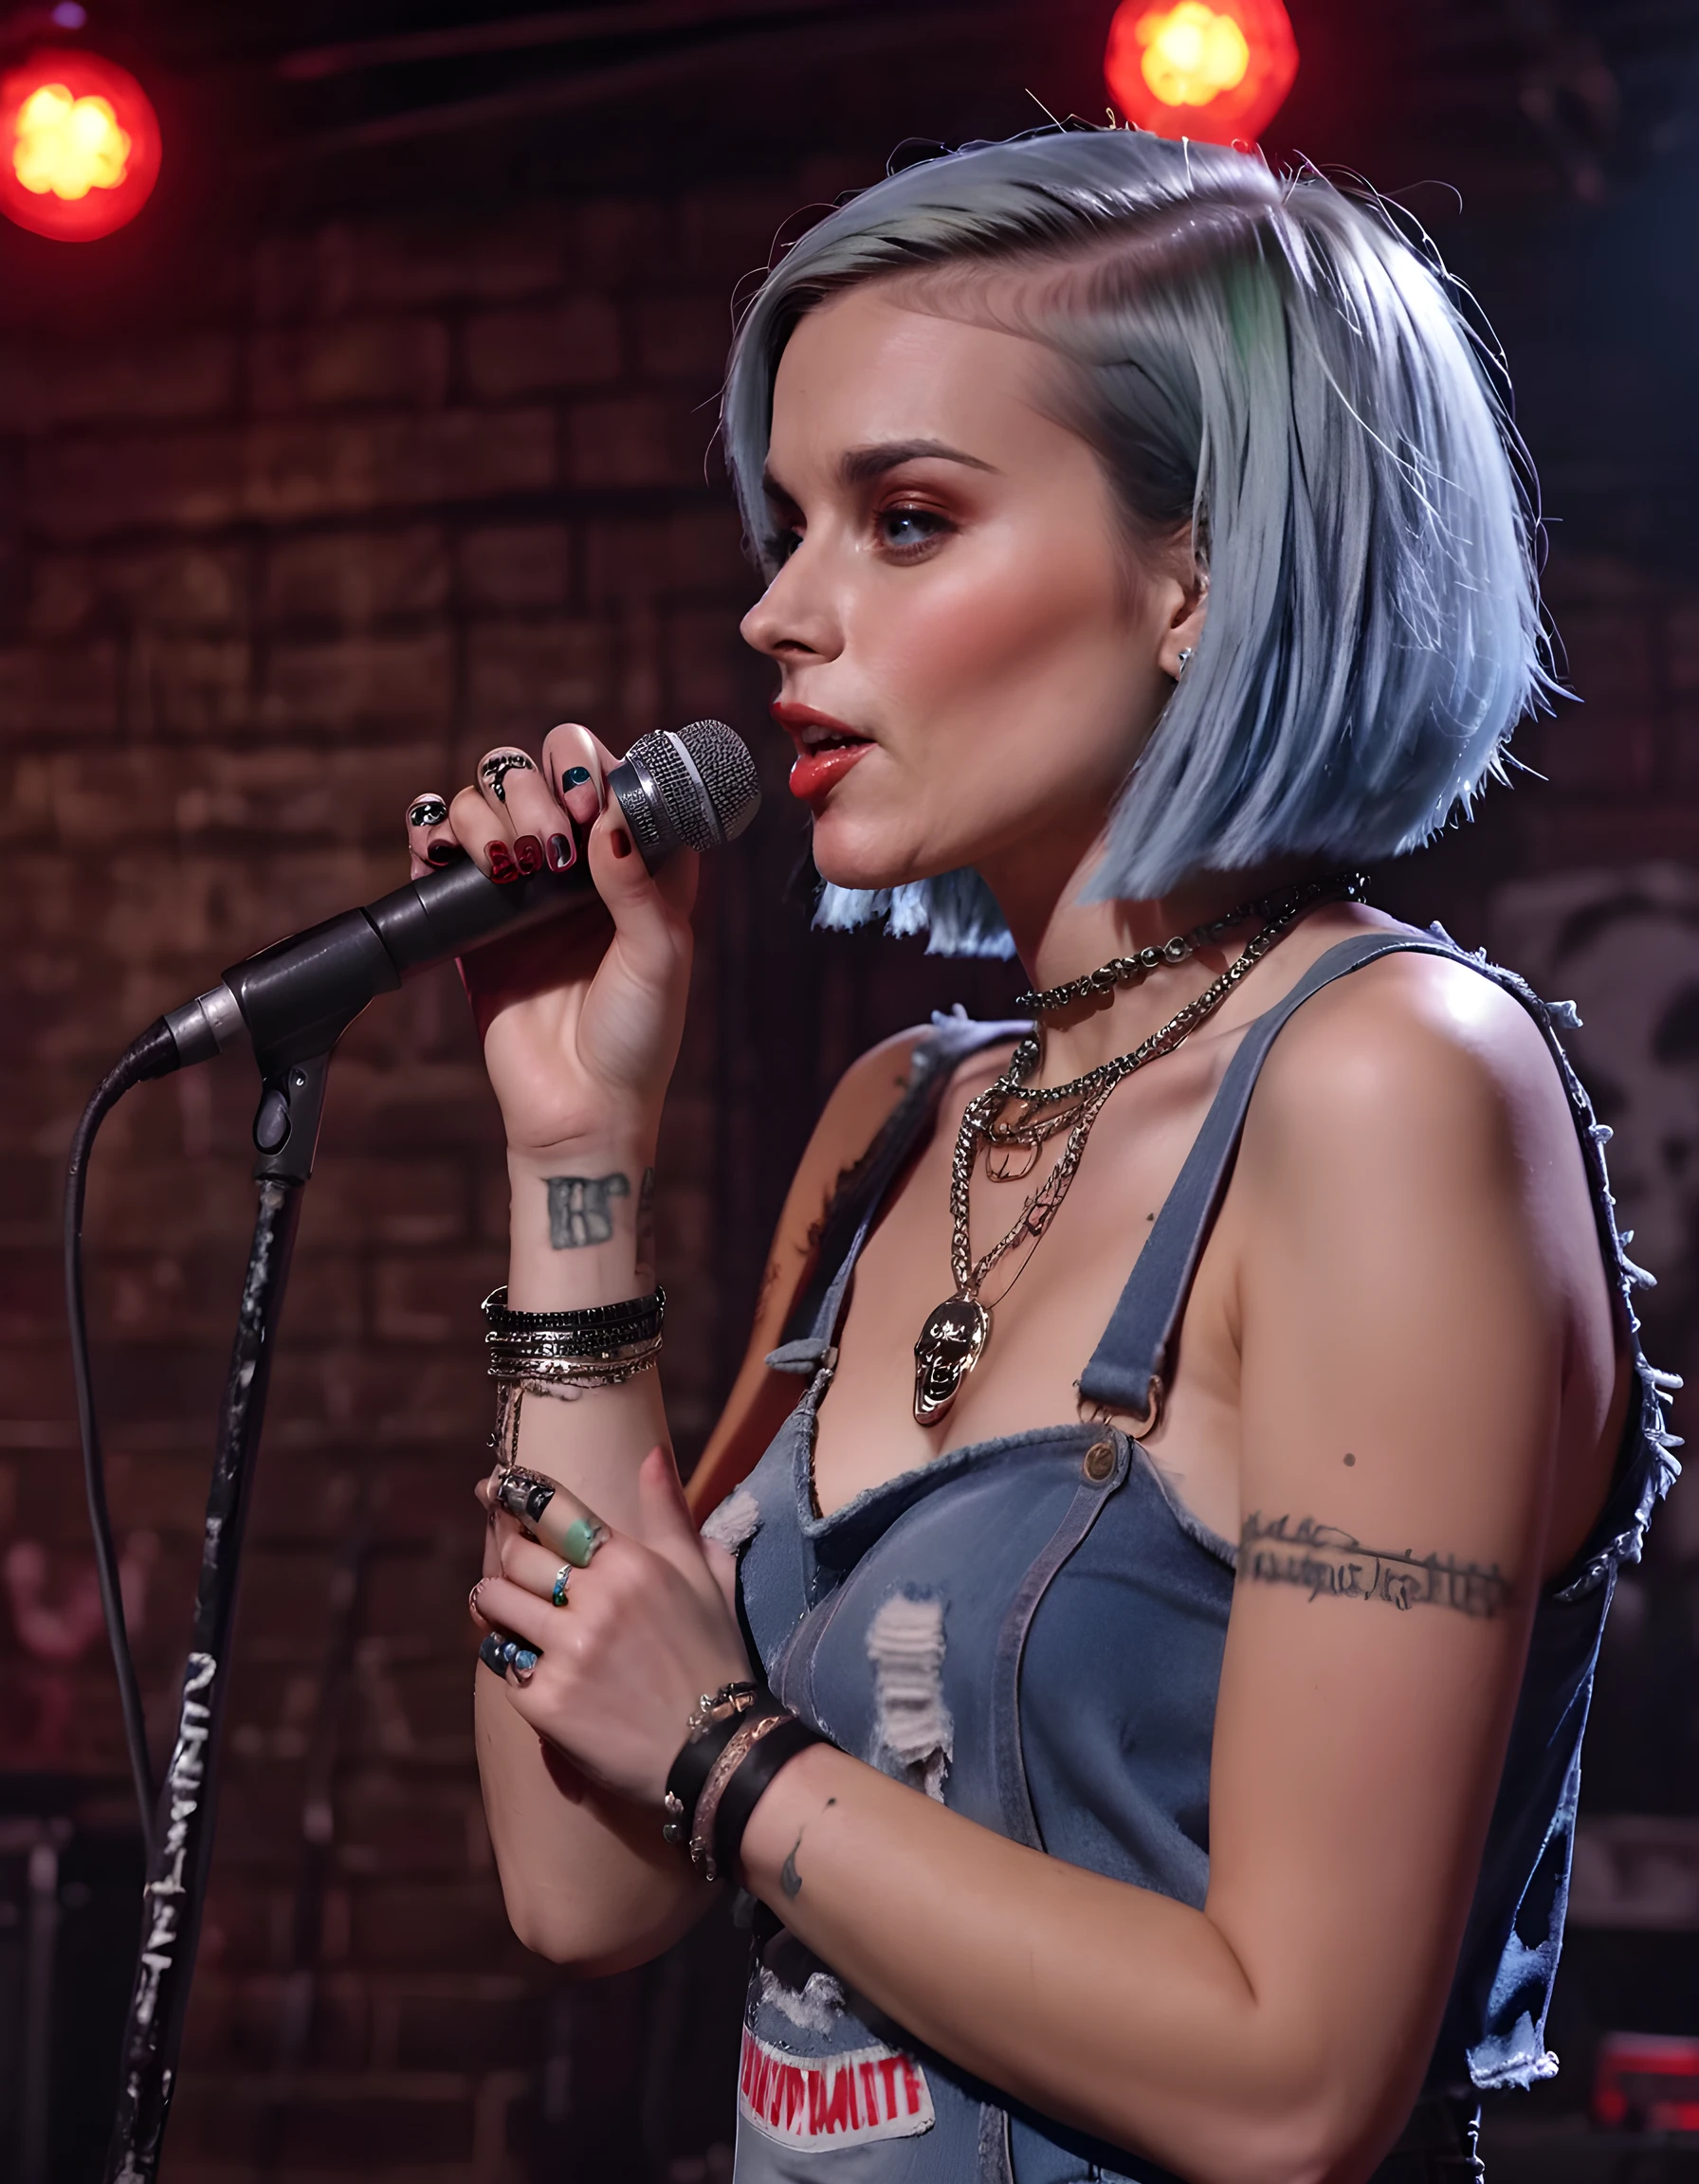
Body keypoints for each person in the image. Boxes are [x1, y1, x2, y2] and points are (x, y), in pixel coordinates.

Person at [405, 130, 1676, 2183]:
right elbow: (581, 1884)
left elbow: (1293, 2082)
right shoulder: (909, 1114)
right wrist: (577, 1151)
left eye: (901, 521)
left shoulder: (1386, 1086)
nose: (775, 614)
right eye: (789, 521)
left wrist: (731, 1752)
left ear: (1198, 575)